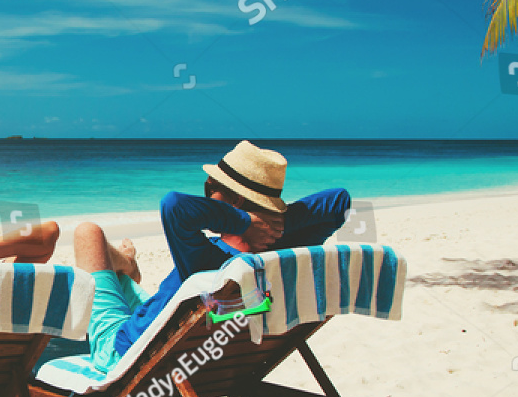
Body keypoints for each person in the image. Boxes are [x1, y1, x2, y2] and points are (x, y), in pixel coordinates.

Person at [73, 142, 349, 375]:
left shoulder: (206, 261)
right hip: (175, 337)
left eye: (209, 189)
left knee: (88, 233)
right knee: (127, 283)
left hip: (124, 350)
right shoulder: (277, 256)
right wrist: (274, 224)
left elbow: (174, 205)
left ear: (236, 203)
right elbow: (339, 202)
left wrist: (244, 223)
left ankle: (126, 264)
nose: (205, 196)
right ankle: (125, 266)